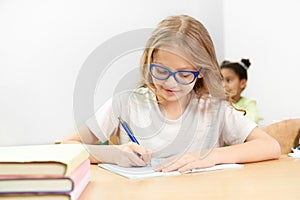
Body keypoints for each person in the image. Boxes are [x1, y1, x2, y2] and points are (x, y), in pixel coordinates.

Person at [63, 15, 280, 173]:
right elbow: (66, 146)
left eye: (184, 74)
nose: (170, 82)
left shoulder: (213, 108)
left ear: (201, 72)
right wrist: (114, 154)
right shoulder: (127, 103)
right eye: (160, 71)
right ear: (148, 62)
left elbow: (270, 146)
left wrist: (210, 156)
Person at [220, 59, 259, 123]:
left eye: (228, 80)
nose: (223, 85)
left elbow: (252, 120)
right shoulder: (219, 103)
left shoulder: (248, 103)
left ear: (242, 83)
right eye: (221, 80)